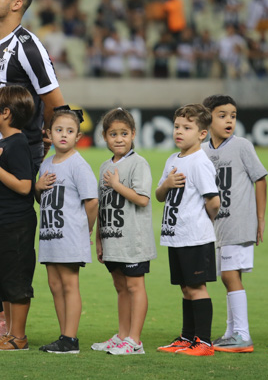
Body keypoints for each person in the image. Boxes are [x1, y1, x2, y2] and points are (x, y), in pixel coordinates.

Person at [0, 0, 63, 343]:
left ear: (17, 5)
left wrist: (48, 149)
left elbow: (56, 102)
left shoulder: (29, 46)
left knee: (12, 237)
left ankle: (13, 323)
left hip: (18, 156)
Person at [201, 95, 268, 353]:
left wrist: (260, 219)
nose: (229, 120)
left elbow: (260, 179)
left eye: (233, 115)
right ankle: (231, 332)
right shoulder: (204, 151)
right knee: (228, 277)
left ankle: (242, 334)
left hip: (239, 222)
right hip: (217, 227)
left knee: (230, 275)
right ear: (208, 119)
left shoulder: (242, 146)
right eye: (222, 115)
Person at [155, 104, 220, 357]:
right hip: (176, 235)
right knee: (185, 287)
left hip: (195, 235)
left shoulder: (199, 162)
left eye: (187, 128)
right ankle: (187, 337)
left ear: (202, 134)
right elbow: (160, 195)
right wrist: (168, 184)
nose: (179, 132)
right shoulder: (173, 159)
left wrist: (203, 222)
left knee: (196, 287)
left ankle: (203, 342)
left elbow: (213, 201)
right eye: (177, 126)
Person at [0, 85, 36, 352]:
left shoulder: (18, 144)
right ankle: (10, 332)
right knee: (3, 280)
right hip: (0, 224)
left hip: (16, 225)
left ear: (6, 113)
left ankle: (18, 337)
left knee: (16, 281)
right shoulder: (5, 142)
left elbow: (25, 186)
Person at [92, 108, 154, 356]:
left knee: (135, 287)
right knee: (120, 287)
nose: (119, 139)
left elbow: (142, 199)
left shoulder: (139, 164)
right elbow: (101, 206)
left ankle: (135, 340)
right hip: (112, 239)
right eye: (113, 134)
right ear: (104, 137)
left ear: (133, 134)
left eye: (124, 133)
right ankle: (122, 336)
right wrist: (98, 239)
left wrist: (117, 185)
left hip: (133, 240)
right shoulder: (105, 165)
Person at [35, 108, 97, 354]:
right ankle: (63, 336)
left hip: (70, 234)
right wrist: (38, 188)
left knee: (69, 284)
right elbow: (44, 199)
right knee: (54, 283)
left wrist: (86, 230)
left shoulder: (78, 165)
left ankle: (70, 339)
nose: (63, 135)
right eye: (58, 130)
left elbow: (91, 202)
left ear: (78, 137)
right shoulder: (47, 163)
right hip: (50, 235)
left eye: (69, 131)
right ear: (49, 133)